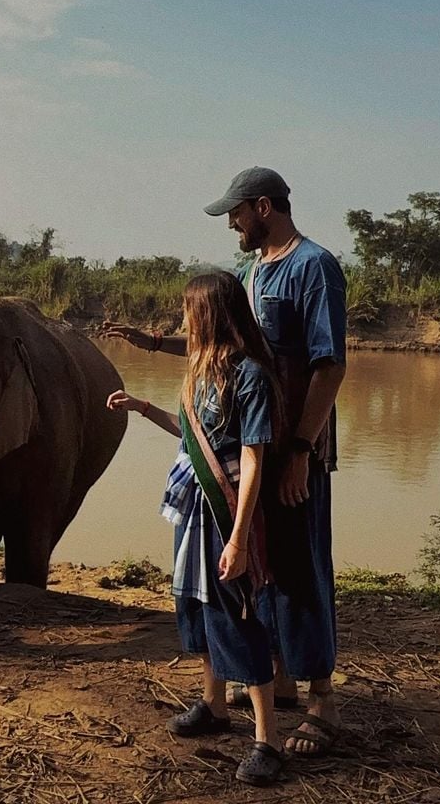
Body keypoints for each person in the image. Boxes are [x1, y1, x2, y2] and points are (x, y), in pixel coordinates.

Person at [104, 167, 347, 757]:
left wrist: (299, 451)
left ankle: (320, 700)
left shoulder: (314, 267)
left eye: (236, 214)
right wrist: (157, 343)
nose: (232, 225)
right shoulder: (248, 270)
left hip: (290, 448)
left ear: (264, 207)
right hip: (242, 447)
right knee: (254, 561)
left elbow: (329, 364)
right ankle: (276, 677)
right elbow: (224, 337)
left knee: (300, 565)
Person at [107, 270, 284, 787]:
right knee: (195, 606)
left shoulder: (250, 374)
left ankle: (267, 738)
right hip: (193, 511)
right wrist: (142, 408)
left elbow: (252, 461)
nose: (182, 320)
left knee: (235, 614)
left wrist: (239, 537)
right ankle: (214, 707)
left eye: (188, 311)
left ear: (209, 315)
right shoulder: (202, 370)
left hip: (228, 513)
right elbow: (189, 435)